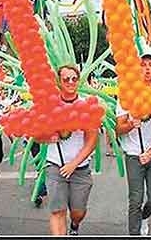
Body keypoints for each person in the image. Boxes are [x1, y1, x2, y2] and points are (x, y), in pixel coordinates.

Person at [115, 54, 151, 236]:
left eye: (150, 65)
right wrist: (132, 123)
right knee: (135, 200)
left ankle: (144, 218)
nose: (147, 68)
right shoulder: (126, 95)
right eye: (143, 65)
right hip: (133, 155)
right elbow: (118, 128)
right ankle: (134, 232)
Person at [46, 65, 98, 236]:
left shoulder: (86, 105)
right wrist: (47, 136)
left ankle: (75, 224)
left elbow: (91, 141)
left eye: (74, 78)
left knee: (78, 212)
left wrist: (73, 164)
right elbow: (37, 135)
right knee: (57, 211)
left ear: (78, 80)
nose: (70, 82)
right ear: (59, 82)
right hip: (55, 165)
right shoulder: (50, 105)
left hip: (80, 168)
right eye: (66, 79)